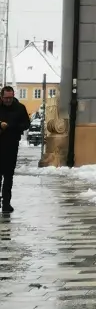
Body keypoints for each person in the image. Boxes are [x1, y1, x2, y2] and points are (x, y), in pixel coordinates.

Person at [0, 86, 31, 215]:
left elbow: (26, 124)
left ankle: (6, 203)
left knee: (8, 175)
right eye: (6, 98)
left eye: (10, 98)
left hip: (11, 145)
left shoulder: (20, 108)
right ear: (1, 97)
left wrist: (11, 126)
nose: (8, 100)